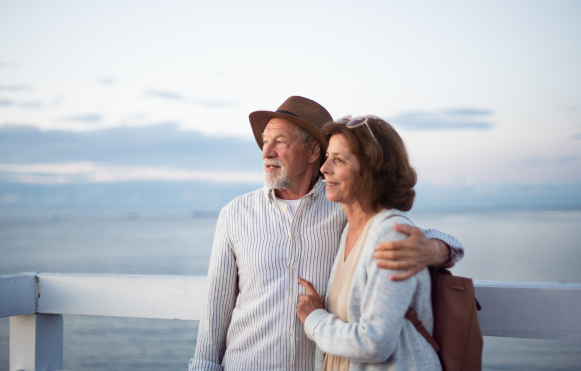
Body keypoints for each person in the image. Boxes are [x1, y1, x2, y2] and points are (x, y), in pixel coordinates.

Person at [189, 96, 462, 371]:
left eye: (280, 141)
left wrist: (437, 249)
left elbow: (405, 232)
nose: (266, 151)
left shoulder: (346, 208)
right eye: (264, 141)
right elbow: (215, 312)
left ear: (312, 153)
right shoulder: (234, 214)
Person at [296, 115, 441, 370]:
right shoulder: (349, 228)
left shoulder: (390, 234)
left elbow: (374, 342)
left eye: (338, 160)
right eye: (327, 156)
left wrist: (315, 321)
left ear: (371, 169)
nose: (324, 167)